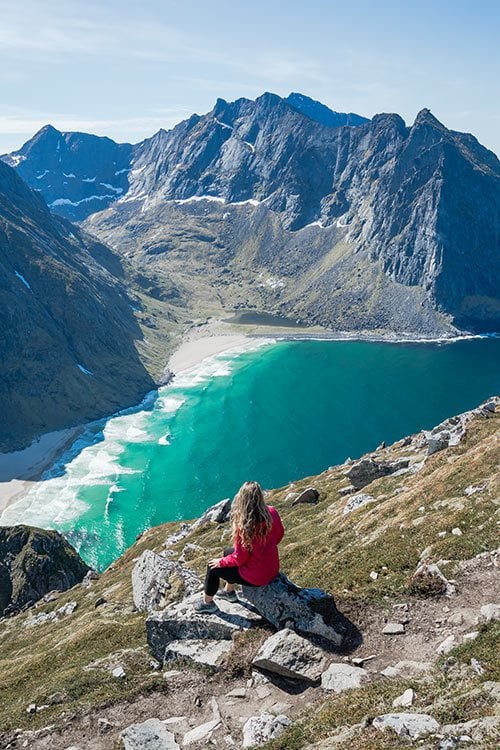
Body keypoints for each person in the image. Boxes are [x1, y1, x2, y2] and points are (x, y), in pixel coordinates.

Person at [194, 481, 285, 613]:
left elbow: (239, 559)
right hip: (272, 567)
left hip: (257, 577)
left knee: (212, 567)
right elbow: (279, 535)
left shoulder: (245, 526)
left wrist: (220, 562)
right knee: (227, 552)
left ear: (242, 500)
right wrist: (263, 550)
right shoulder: (272, 512)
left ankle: (208, 603)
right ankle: (229, 592)